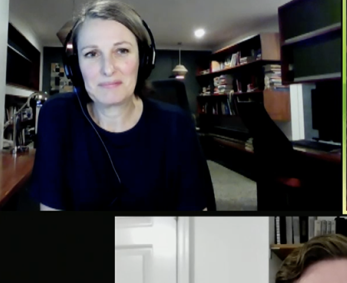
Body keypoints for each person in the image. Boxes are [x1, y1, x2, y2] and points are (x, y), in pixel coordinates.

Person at [28, 0, 213, 210]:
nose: (108, 68)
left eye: (122, 50)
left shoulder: (177, 126)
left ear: (144, 59)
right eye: (91, 53)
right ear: (75, 68)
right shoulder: (58, 117)